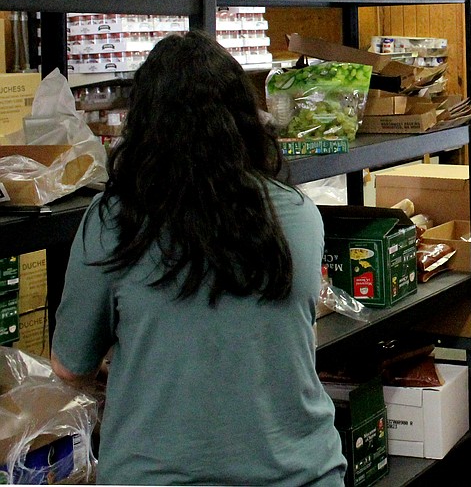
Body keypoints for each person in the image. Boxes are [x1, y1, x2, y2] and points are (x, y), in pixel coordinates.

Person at [51, 31, 346, 486]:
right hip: (300, 471)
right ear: (245, 117)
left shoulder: (114, 220)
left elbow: (70, 367)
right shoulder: (297, 212)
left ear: (143, 122)